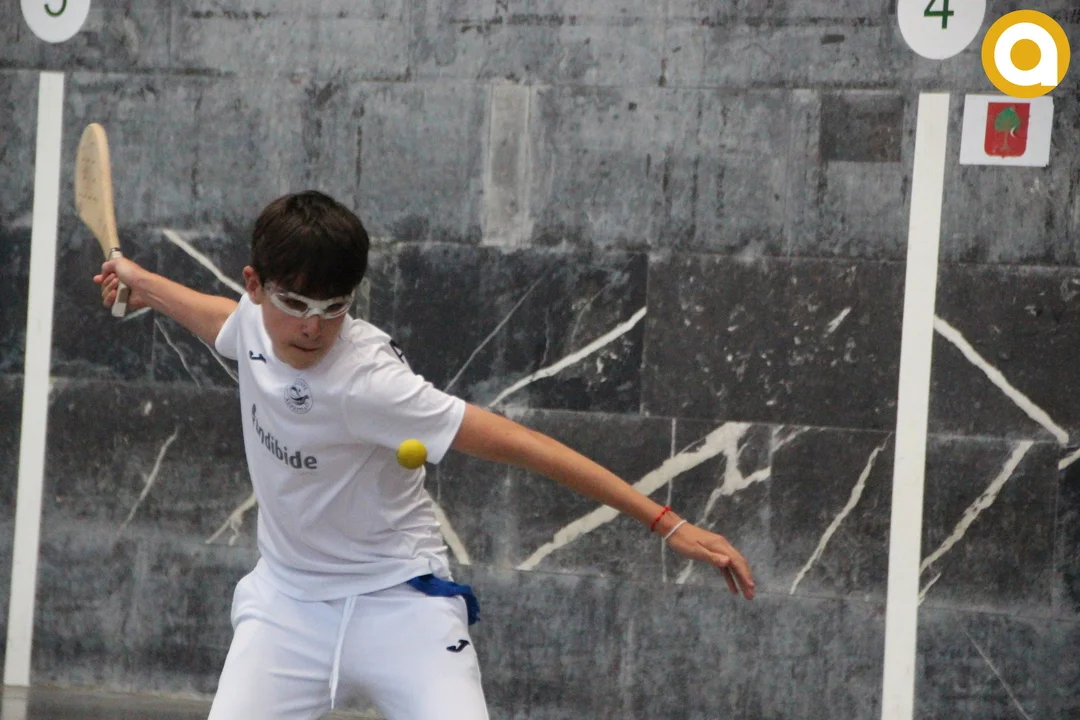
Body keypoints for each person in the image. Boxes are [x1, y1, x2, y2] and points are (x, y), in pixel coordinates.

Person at [94, 190, 755, 720]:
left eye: (333, 307)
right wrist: (142, 284)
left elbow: (526, 446)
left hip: (399, 604)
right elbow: (223, 321)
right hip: (286, 608)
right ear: (255, 284)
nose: (312, 327)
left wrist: (666, 522)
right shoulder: (254, 323)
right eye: (294, 303)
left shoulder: (372, 382)